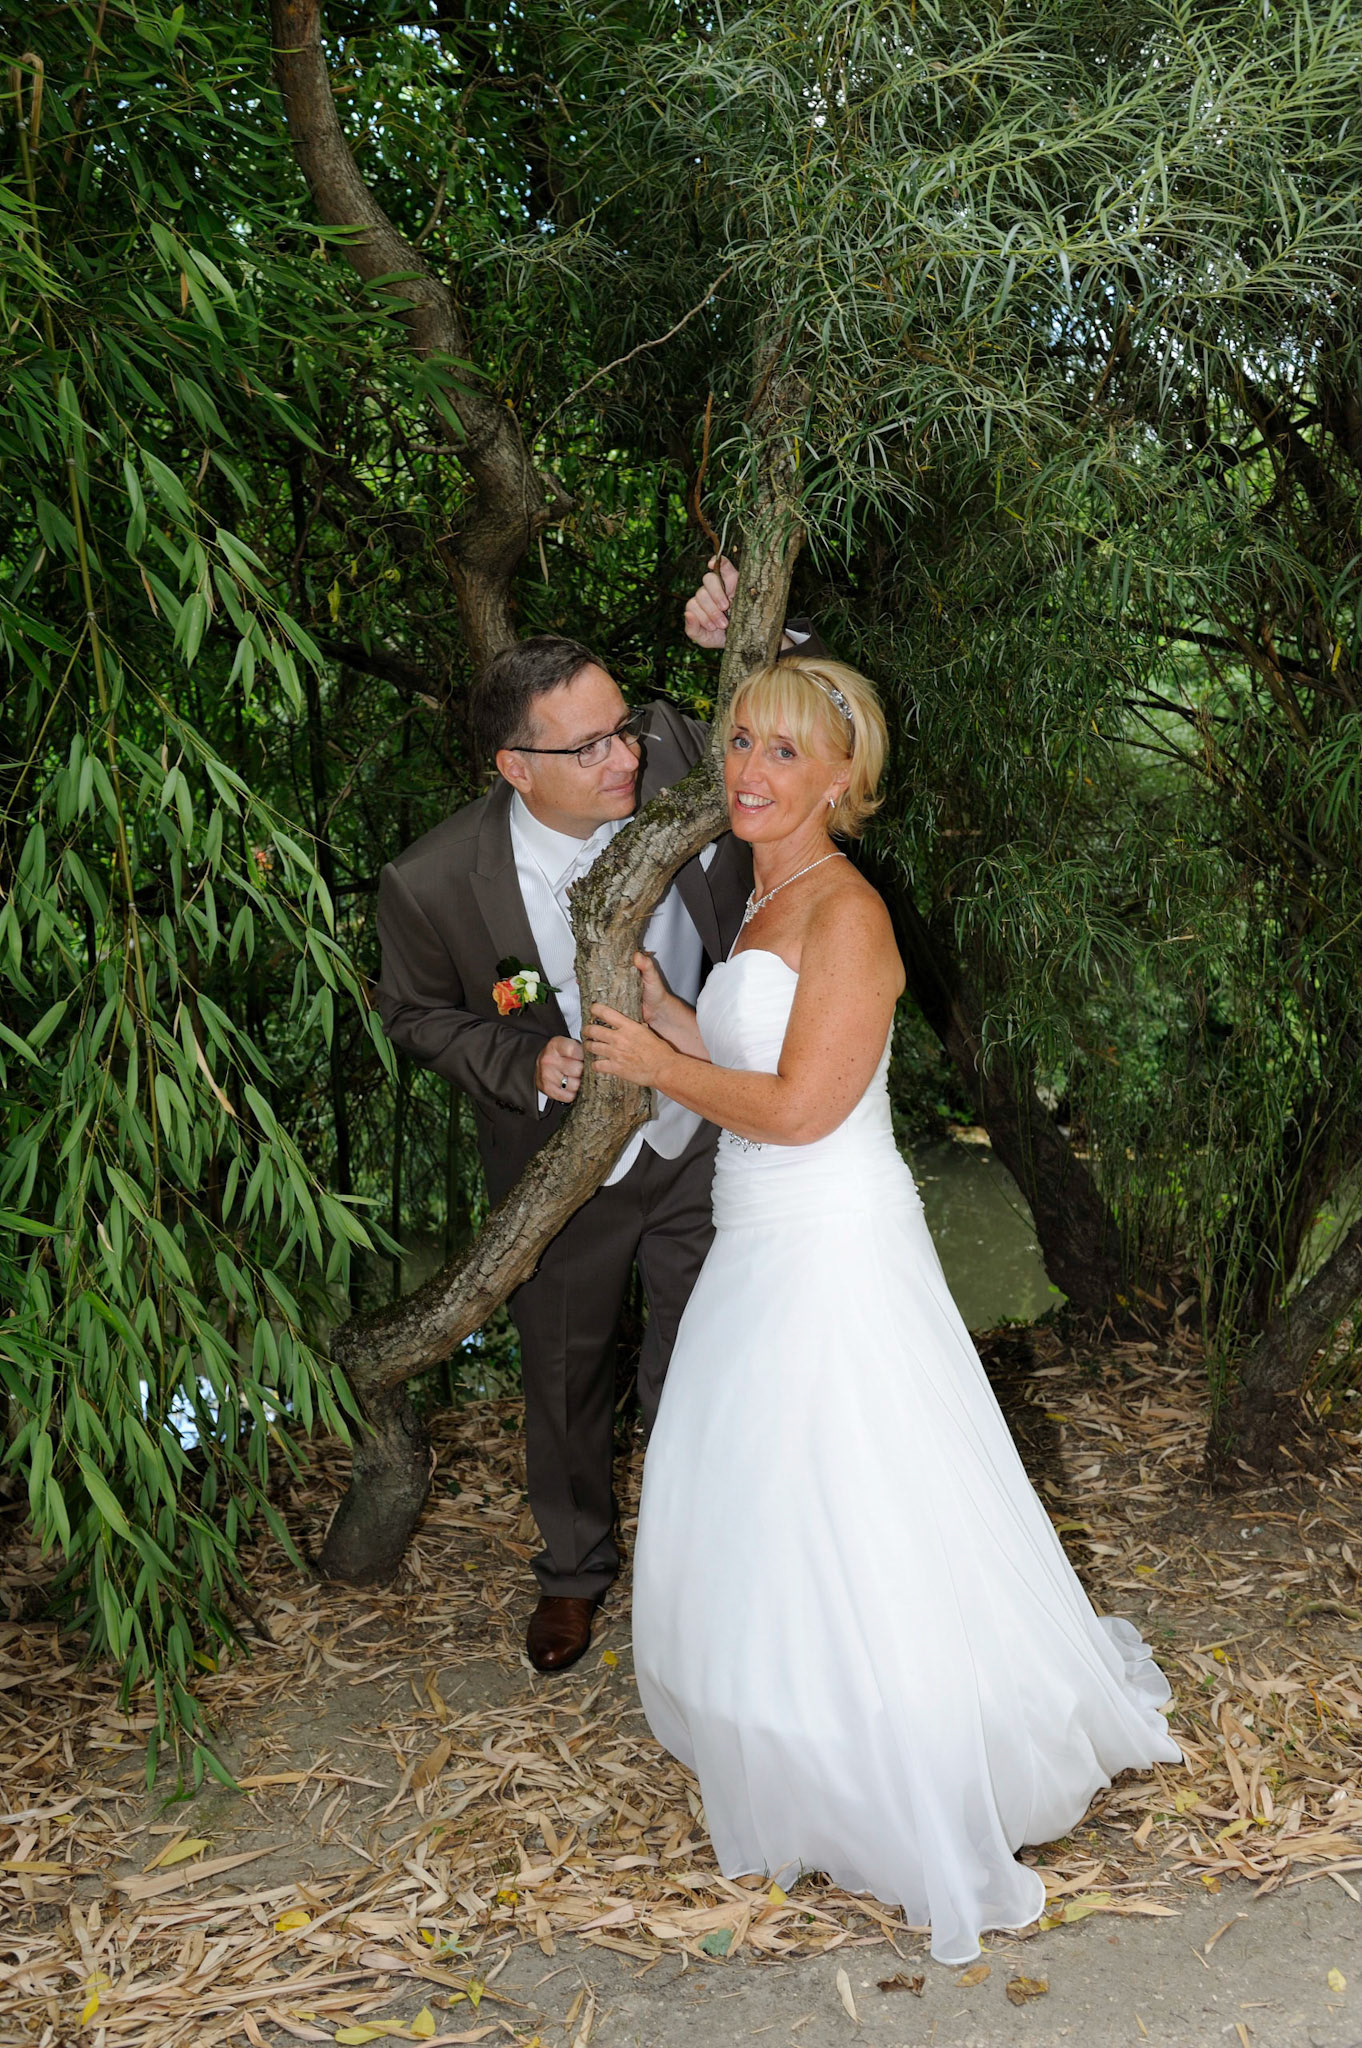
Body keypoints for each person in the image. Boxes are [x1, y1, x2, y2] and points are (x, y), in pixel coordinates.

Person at [582, 654, 1183, 1967]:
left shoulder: (847, 911)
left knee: (852, 1491)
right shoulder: (763, 895)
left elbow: (804, 1108)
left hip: (829, 1239)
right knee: (767, 1494)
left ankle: (901, 1766)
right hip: (760, 1231)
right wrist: (672, 1016)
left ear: (842, 777)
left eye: (783, 752)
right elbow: (756, 1062)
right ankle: (805, 1740)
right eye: (740, 741)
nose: (747, 771)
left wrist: (660, 1061)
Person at [374, 578, 822, 1673]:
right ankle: (573, 1575)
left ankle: (701, 1561)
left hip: (710, 1132)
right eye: (588, 747)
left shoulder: (677, 754)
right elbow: (416, 1015)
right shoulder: (432, 881)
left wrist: (763, 630)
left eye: (623, 726)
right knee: (565, 1380)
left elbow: (806, 728)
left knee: (708, 1357)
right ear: (515, 767)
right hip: (561, 1166)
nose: (624, 756)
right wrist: (526, 1061)